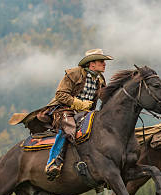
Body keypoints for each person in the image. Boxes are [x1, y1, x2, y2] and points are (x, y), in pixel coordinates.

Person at [43, 49, 113, 180]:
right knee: (68, 128)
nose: (105, 64)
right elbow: (60, 94)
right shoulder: (74, 74)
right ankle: (53, 162)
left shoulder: (100, 79)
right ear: (92, 64)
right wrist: (79, 104)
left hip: (85, 113)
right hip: (63, 109)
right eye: (101, 61)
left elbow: (105, 97)